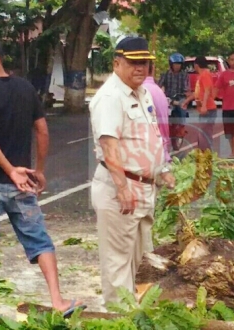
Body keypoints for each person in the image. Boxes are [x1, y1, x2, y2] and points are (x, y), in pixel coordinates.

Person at [0, 33, 84, 316]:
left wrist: (10, 170)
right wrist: (38, 171)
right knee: (39, 240)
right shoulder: (26, 88)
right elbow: (42, 131)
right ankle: (58, 301)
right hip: (22, 185)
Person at [89, 36, 176, 305]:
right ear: (117, 63)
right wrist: (122, 187)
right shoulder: (111, 97)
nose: (141, 68)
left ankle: (137, 315)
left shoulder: (142, 92)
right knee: (118, 264)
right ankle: (118, 318)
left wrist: (162, 169)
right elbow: (108, 144)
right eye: (134, 62)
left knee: (141, 261)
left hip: (144, 188)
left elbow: (148, 136)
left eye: (145, 63)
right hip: (121, 190)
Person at [181, 56, 218, 151]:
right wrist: (187, 101)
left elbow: (207, 90)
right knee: (203, 134)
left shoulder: (205, 75)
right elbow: (197, 93)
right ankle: (204, 155)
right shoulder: (201, 76)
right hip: (204, 109)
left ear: (196, 65)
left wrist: (204, 105)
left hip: (208, 109)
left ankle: (207, 156)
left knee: (204, 135)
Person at [143, 61, 171, 162]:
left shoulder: (141, 91)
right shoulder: (158, 90)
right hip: (160, 150)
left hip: (148, 154)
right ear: (153, 68)